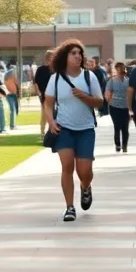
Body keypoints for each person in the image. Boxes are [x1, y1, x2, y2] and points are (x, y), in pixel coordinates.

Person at [43, 39, 104, 222]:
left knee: (85, 171)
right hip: (63, 129)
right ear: (65, 57)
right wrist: (51, 122)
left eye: (80, 53)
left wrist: (84, 96)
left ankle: (86, 187)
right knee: (67, 165)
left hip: (86, 129)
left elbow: (100, 102)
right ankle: (69, 207)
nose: (78, 56)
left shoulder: (89, 77)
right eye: (73, 53)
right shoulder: (55, 79)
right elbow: (48, 103)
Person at [105, 62, 131, 153]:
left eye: (123, 68)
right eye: (119, 68)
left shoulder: (128, 80)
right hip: (114, 106)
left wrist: (130, 106)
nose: (122, 70)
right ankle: (117, 144)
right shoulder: (112, 81)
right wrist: (110, 102)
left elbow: (131, 93)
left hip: (126, 106)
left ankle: (125, 145)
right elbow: (107, 94)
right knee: (117, 126)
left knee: (125, 127)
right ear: (116, 69)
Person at [33, 50, 54, 139]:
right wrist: (39, 92)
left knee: (52, 114)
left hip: (53, 95)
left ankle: (50, 131)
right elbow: (35, 82)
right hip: (45, 95)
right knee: (45, 114)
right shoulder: (41, 69)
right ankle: (43, 132)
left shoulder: (55, 69)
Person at [4, 62, 19, 129]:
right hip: (11, 94)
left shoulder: (6, 75)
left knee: (13, 109)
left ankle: (12, 124)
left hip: (10, 93)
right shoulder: (12, 74)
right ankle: (12, 125)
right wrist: (19, 89)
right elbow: (17, 83)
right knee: (13, 109)